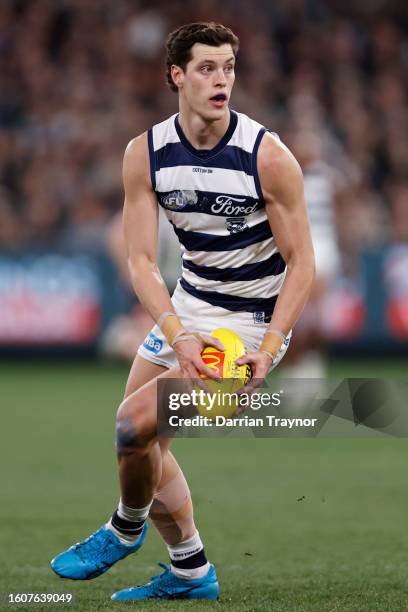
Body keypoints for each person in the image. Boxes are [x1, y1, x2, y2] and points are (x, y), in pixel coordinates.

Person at [50, 22, 315, 601]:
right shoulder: (144, 154)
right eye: (206, 69)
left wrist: (266, 352)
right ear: (176, 75)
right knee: (140, 440)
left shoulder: (266, 157)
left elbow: (303, 267)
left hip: (245, 330)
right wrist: (178, 332)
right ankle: (191, 570)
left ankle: (124, 527)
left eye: (228, 68)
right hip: (188, 309)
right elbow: (142, 262)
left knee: (131, 424)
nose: (221, 80)